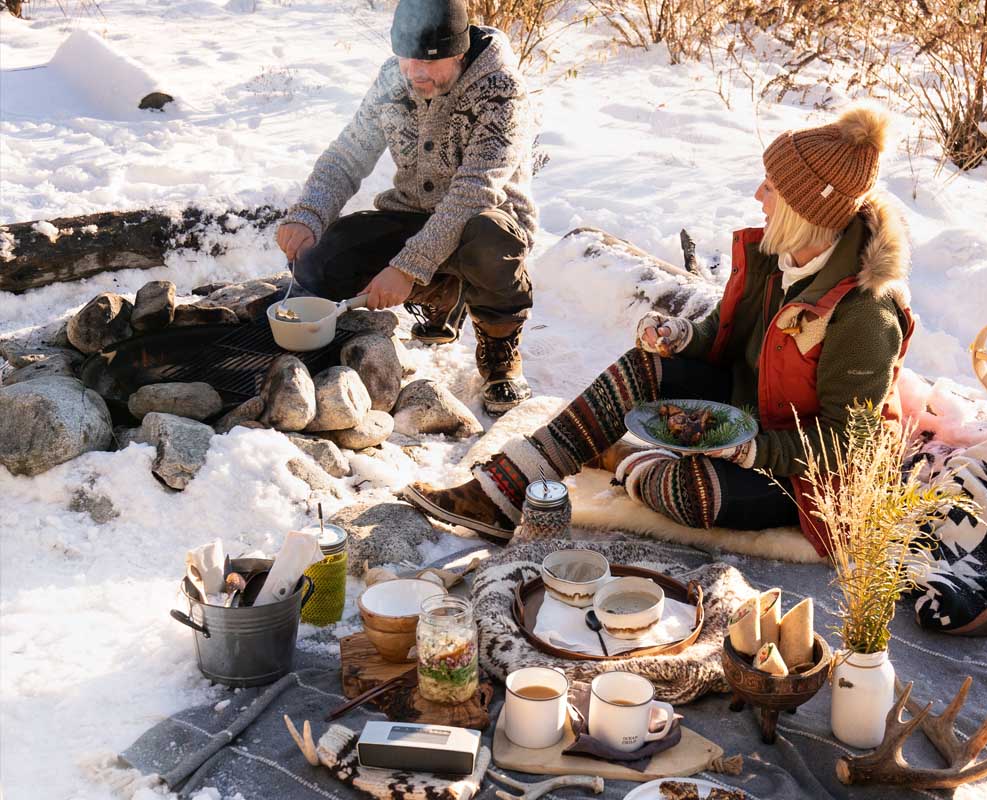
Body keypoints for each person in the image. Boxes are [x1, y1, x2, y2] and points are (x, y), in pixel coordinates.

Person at [403, 104, 914, 552]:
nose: (760, 194)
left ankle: (623, 456)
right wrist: (683, 337)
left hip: (809, 482)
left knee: (690, 490)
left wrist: (754, 450)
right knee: (643, 367)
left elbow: (853, 444)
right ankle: (502, 492)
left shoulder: (865, 313)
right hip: (747, 413)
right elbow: (727, 337)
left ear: (805, 211)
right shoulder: (780, 257)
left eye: (773, 188)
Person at [276, 0, 537, 416]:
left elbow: (474, 192)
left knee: (488, 242)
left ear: (461, 50)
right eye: (407, 59)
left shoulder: (501, 90)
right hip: (412, 214)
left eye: (430, 63)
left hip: (488, 219)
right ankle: (442, 292)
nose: (416, 73)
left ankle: (500, 350)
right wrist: (309, 214)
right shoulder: (392, 81)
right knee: (326, 256)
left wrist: (408, 268)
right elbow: (347, 156)